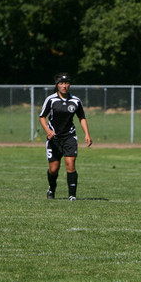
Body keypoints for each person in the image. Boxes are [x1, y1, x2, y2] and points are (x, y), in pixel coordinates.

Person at [39, 72, 92, 200]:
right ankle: (51, 189)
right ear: (57, 85)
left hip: (69, 137)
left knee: (71, 164)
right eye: (61, 83)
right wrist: (48, 131)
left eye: (66, 83)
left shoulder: (76, 101)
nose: (64, 86)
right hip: (54, 138)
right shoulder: (51, 100)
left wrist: (87, 134)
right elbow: (42, 117)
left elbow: (82, 117)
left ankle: (72, 195)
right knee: (53, 169)